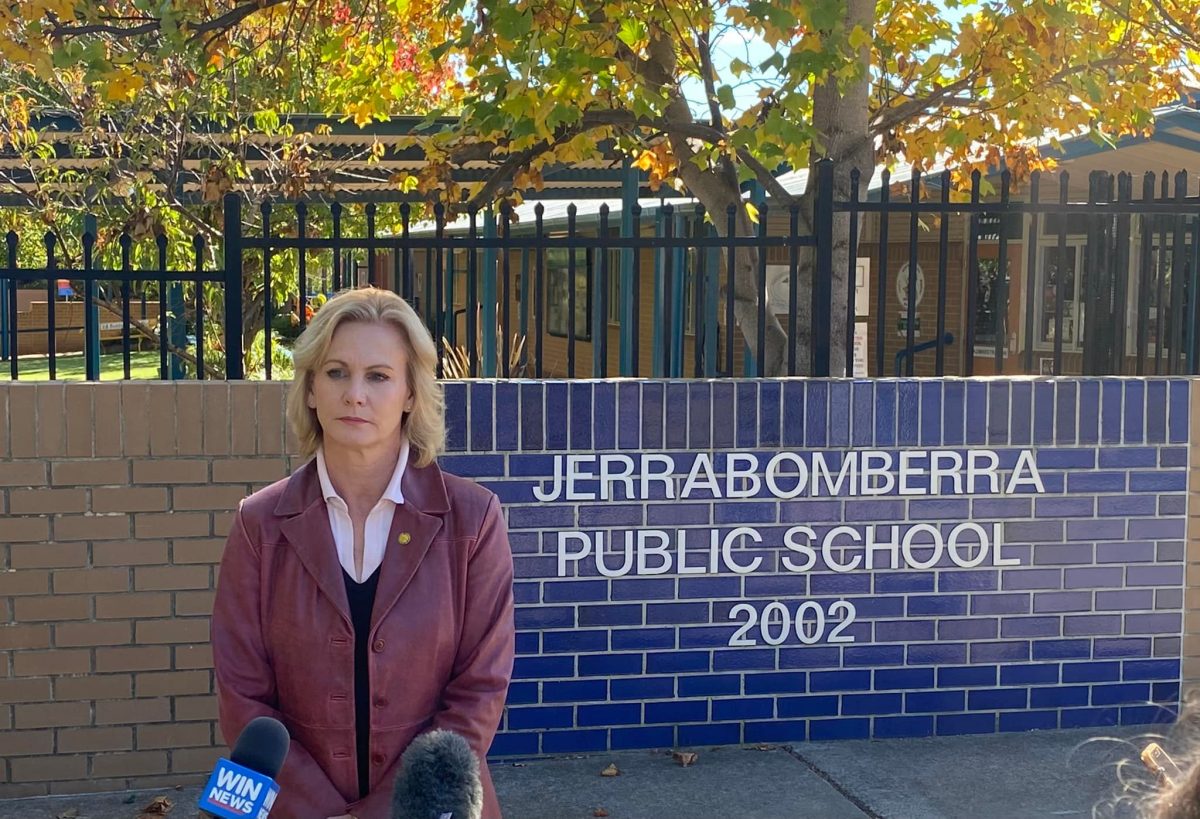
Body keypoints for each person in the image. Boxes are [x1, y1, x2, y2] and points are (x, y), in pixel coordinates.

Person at [211, 287, 515, 819]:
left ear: (411, 394)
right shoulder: (258, 526)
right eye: (335, 372)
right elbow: (244, 700)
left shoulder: (474, 520)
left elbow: (478, 693)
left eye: (378, 376)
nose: (355, 394)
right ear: (309, 389)